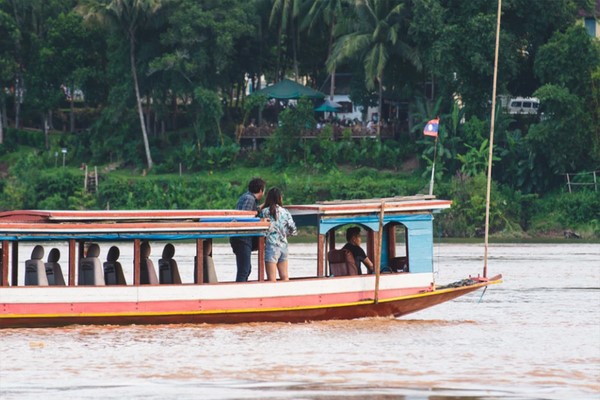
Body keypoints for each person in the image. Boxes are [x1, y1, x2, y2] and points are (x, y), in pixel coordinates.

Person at [230, 177, 266, 282]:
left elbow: (251, 212)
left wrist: (261, 207)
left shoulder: (247, 197)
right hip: (242, 238)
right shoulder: (249, 199)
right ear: (260, 190)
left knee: (246, 269)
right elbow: (245, 216)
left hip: (241, 238)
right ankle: (240, 291)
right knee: (244, 270)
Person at [259, 187, 297, 282]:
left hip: (271, 246)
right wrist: (284, 234)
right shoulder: (286, 212)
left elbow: (259, 228)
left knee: (272, 279)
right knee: (285, 277)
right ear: (280, 198)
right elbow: (293, 230)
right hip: (284, 246)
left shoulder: (264, 212)